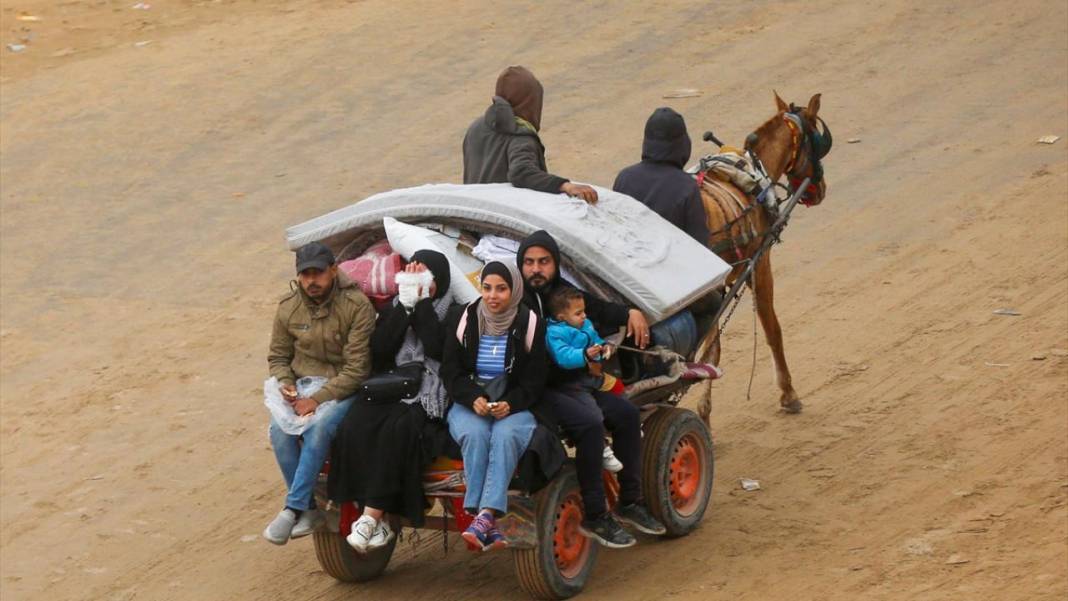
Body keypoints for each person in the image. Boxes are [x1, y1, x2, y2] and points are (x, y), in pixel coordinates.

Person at [516, 231, 665, 548]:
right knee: (590, 424)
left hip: (576, 383)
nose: (536, 269)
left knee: (626, 414)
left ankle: (630, 501)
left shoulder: (561, 293)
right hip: (541, 390)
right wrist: (583, 361)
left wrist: (629, 313)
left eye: (543, 261)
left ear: (555, 264)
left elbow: (596, 308)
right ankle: (596, 514)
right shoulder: (518, 303)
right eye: (529, 262)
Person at [328, 249, 457, 553]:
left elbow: (438, 348)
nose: (418, 283)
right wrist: (405, 307)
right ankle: (373, 515)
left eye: (424, 277)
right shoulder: (394, 307)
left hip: (428, 391)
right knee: (354, 425)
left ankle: (370, 517)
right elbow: (381, 351)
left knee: (398, 429)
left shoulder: (455, 311)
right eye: (412, 276)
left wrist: (421, 305)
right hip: (391, 385)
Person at [263, 241, 376, 545]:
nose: (311, 280)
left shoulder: (356, 306)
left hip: (343, 388)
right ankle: (310, 509)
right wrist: (286, 383)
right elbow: (278, 356)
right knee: (279, 431)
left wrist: (316, 400)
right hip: (301, 388)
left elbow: (357, 369)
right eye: (305, 274)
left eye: (318, 273)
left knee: (319, 428)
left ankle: (293, 507)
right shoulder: (288, 307)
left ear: (333, 270)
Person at [441, 261, 550, 551]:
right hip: (471, 403)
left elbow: (535, 380)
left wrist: (510, 404)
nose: (492, 296)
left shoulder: (530, 324)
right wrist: (471, 398)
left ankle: (484, 515)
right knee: (475, 434)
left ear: (514, 290)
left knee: (505, 435)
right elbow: (450, 371)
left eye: (501, 289)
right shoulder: (463, 319)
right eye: (487, 288)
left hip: (514, 405)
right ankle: (487, 522)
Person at [463, 65, 599, 204]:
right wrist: (565, 185)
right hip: (505, 214)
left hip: (473, 211)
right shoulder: (521, 136)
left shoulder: (476, 127)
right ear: (529, 102)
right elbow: (521, 172)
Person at [545, 286, 625, 472]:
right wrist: (585, 355)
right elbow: (563, 356)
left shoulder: (585, 324)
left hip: (592, 374)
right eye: (578, 313)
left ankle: (624, 423)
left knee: (618, 386)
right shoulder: (554, 333)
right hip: (574, 381)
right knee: (591, 412)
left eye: (584, 311)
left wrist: (604, 347)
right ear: (561, 317)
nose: (584, 316)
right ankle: (603, 448)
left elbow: (595, 339)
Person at [613, 107, 710, 246]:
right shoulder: (687, 187)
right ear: (682, 144)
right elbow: (700, 245)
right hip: (672, 259)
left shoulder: (624, 177)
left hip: (629, 257)